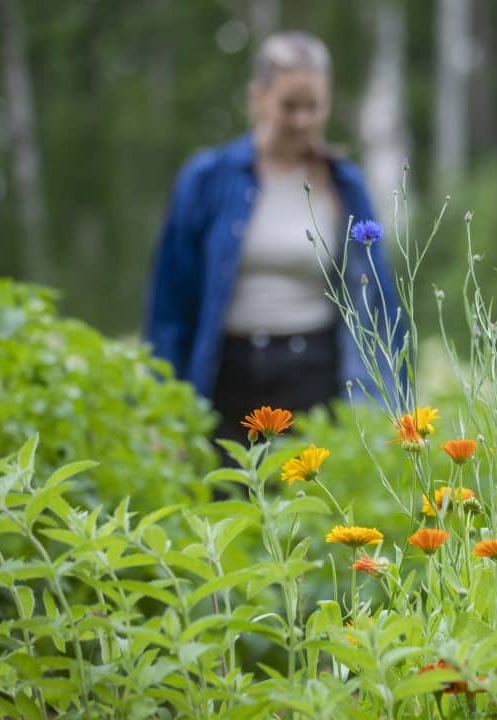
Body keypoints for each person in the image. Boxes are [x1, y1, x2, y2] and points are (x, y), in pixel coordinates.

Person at [144, 31, 405, 447]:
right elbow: (170, 304)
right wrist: (162, 405)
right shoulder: (207, 179)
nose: (301, 119)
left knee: (312, 500)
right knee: (227, 500)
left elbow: (379, 304)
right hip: (225, 378)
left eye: (313, 106)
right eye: (289, 105)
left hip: (316, 376)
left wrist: (390, 403)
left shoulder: (345, 184)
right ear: (258, 97)